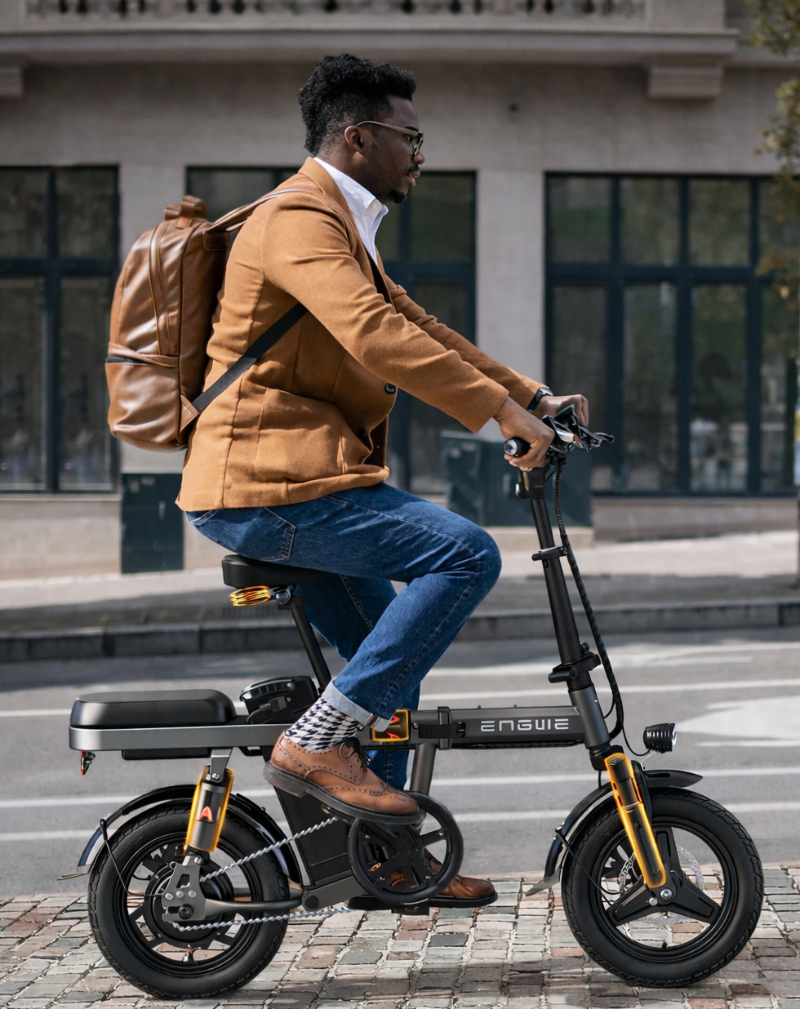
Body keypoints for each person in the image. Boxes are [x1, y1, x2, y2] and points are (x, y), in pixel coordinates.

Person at [180, 53, 588, 901]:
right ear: (358, 138)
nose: (419, 156)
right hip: (265, 483)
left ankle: (384, 861)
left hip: (297, 480)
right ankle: (313, 745)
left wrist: (530, 397)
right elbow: (373, 333)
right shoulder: (298, 218)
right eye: (411, 137)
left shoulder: (338, 223)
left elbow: (419, 325)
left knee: (388, 664)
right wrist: (495, 413)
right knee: (464, 553)